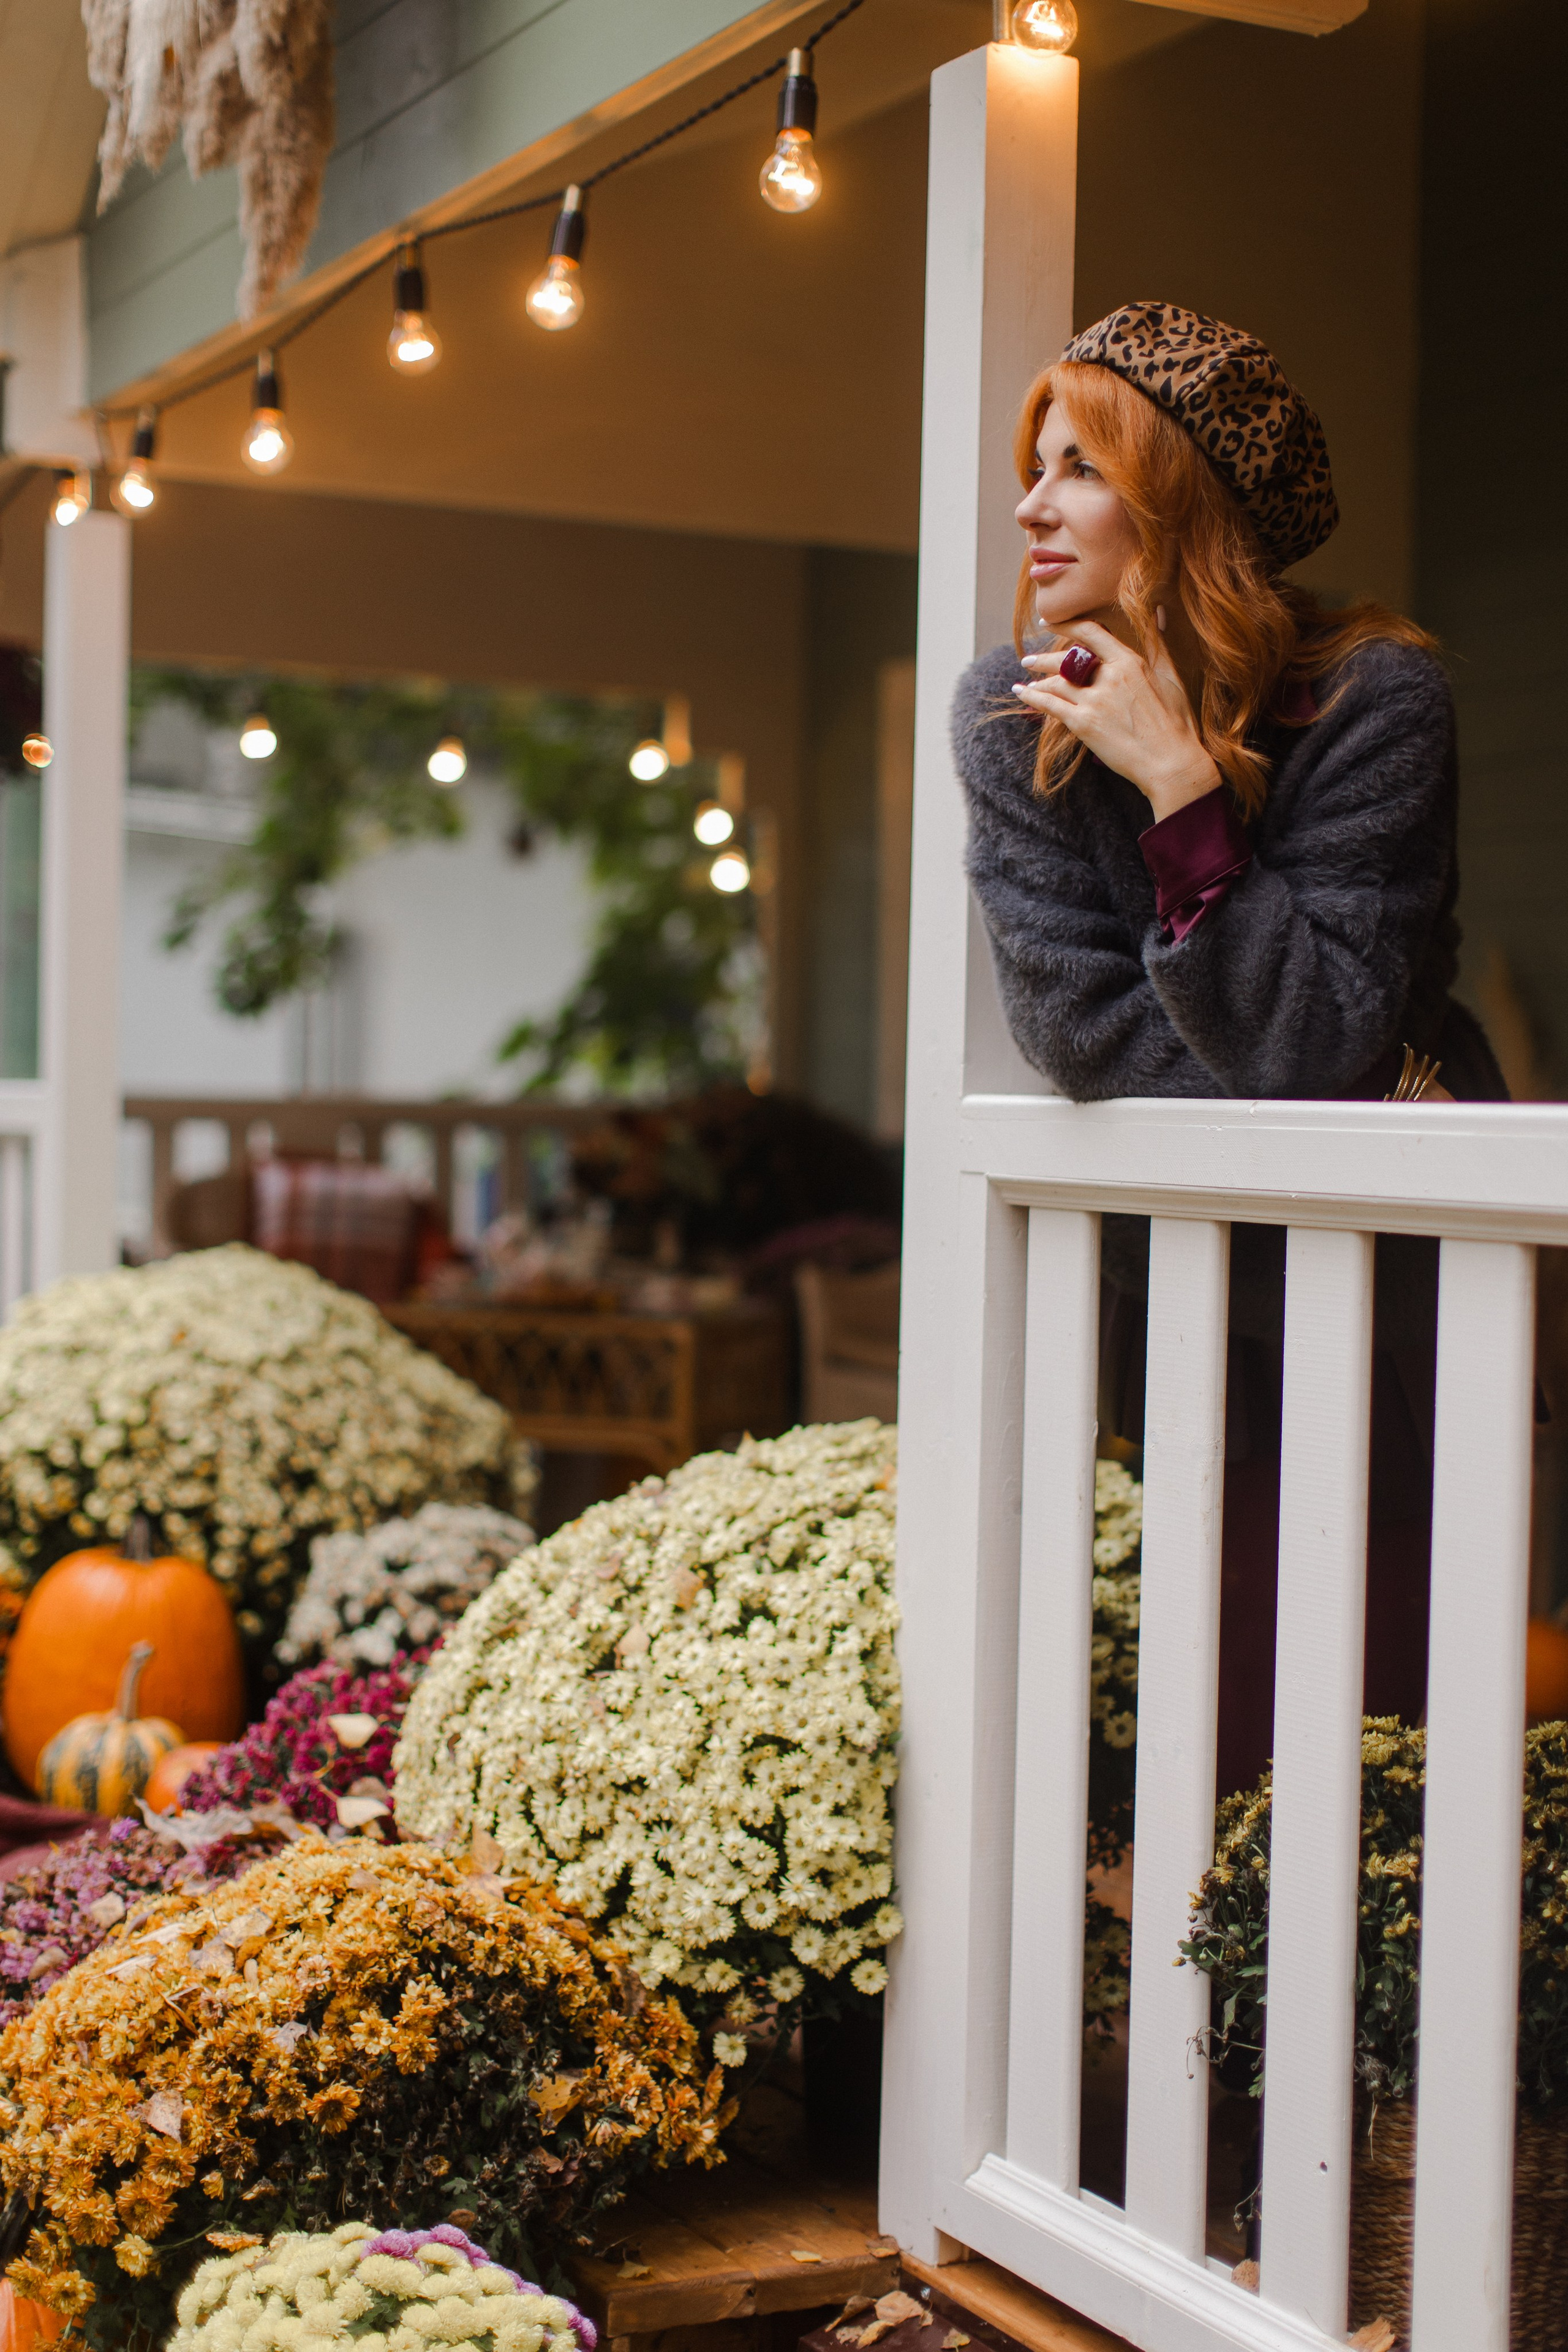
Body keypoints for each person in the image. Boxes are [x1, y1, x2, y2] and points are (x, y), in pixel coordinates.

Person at [951, 300, 1507, 1792]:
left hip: (1388, 1282)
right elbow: (1077, 1032)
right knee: (1195, 1711)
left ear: (1176, 495)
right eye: (1033, 460)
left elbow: (1318, 1027)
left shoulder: (1371, 699)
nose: (1029, 502)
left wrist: (1184, 795)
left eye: (1077, 465)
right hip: (1182, 1281)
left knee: (1377, 1713)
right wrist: (1285, 1064)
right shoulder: (1012, 717)